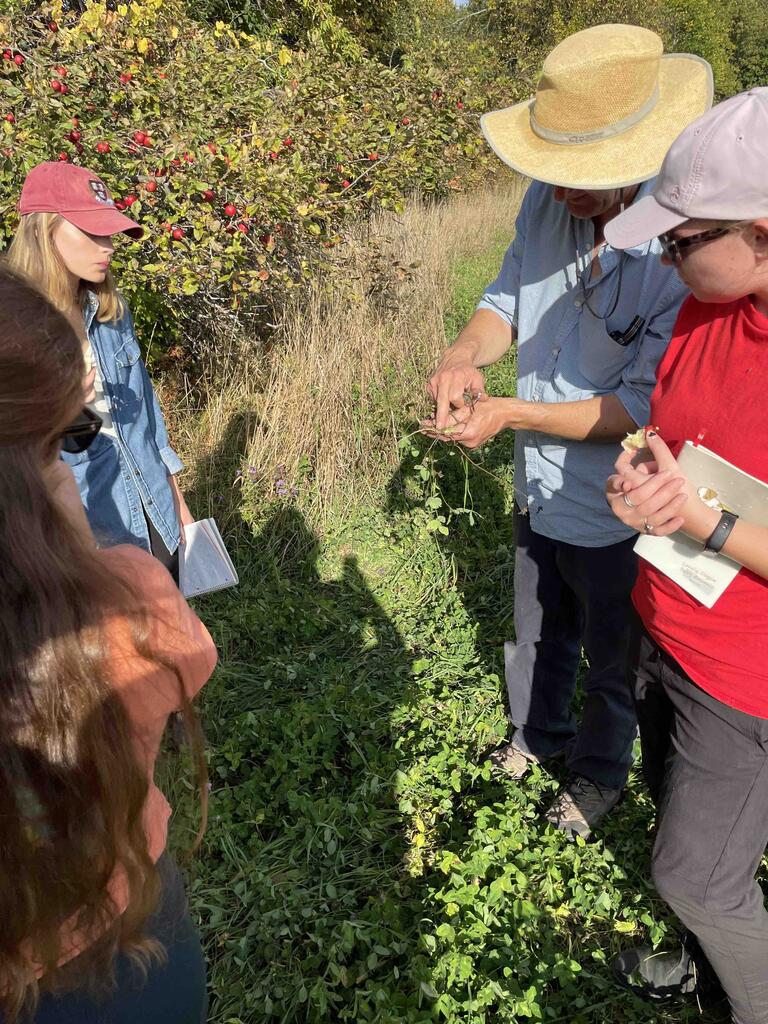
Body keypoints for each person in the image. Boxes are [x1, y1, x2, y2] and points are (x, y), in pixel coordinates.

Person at [424, 24, 713, 838]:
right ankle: (535, 735)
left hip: (616, 498)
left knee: (613, 653)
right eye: (549, 172)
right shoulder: (542, 207)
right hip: (537, 484)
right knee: (538, 621)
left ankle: (596, 773)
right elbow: (504, 302)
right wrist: (463, 354)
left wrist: (510, 411)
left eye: (579, 177)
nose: (559, 192)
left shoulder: (680, 252)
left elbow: (634, 409)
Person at [0, 267, 216, 1022]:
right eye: (64, 443)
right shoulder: (125, 600)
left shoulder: (109, 312)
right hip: (127, 940)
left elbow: (148, 425)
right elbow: (188, 658)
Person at [603, 88, 768, 1022]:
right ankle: (707, 976)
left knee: (698, 878)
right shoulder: (711, 303)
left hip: (745, 678)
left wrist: (702, 524)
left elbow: (712, 511)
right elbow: (675, 436)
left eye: (680, 239)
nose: (667, 258)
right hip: (667, 620)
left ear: (761, 230)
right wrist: (644, 478)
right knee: (681, 820)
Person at [5, 161, 193, 582]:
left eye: (109, 232)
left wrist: (177, 505)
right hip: (79, 535)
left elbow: (148, 420)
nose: (107, 245)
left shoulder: (110, 312)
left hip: (152, 512)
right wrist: (61, 408)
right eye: (92, 232)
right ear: (44, 230)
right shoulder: (13, 331)